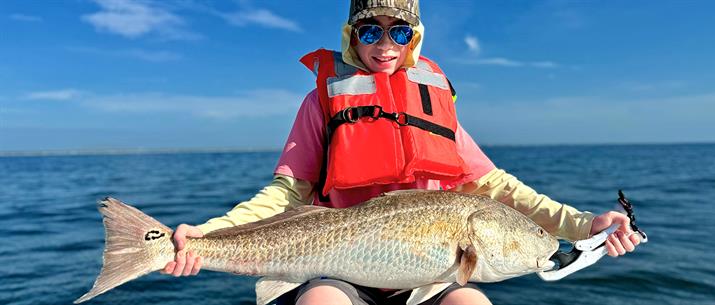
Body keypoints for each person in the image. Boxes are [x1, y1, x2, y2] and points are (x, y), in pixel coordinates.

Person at [162, 1, 642, 304]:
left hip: (428, 281)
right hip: (338, 270)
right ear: (353, 35)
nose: (385, 44)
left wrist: (584, 225)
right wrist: (205, 234)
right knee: (321, 303)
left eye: (399, 32)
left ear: (415, 38)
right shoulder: (323, 101)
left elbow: (498, 187)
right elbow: (286, 193)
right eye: (371, 31)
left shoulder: (435, 103)